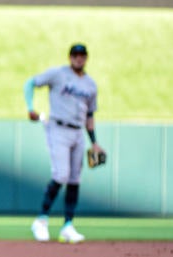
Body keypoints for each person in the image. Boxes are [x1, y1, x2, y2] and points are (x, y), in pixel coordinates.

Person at [23, 43, 104, 244]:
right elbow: (30, 83)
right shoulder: (58, 74)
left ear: (86, 58)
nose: (79, 58)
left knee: (75, 179)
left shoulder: (90, 85)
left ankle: (68, 225)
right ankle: (41, 220)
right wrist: (31, 107)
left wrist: (94, 142)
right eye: (75, 55)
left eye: (82, 55)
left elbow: (90, 115)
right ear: (70, 57)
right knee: (61, 174)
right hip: (58, 128)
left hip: (78, 132)